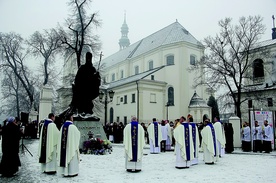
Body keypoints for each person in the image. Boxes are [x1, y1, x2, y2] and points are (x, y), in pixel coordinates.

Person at [70, 51, 101, 116]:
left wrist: (97, 77)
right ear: (86, 58)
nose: (89, 59)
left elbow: (97, 82)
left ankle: (88, 112)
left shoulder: (93, 69)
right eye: (87, 58)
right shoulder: (82, 68)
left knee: (88, 104)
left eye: (90, 58)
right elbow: (77, 79)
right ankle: (82, 112)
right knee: (82, 104)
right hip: (82, 90)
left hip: (89, 91)